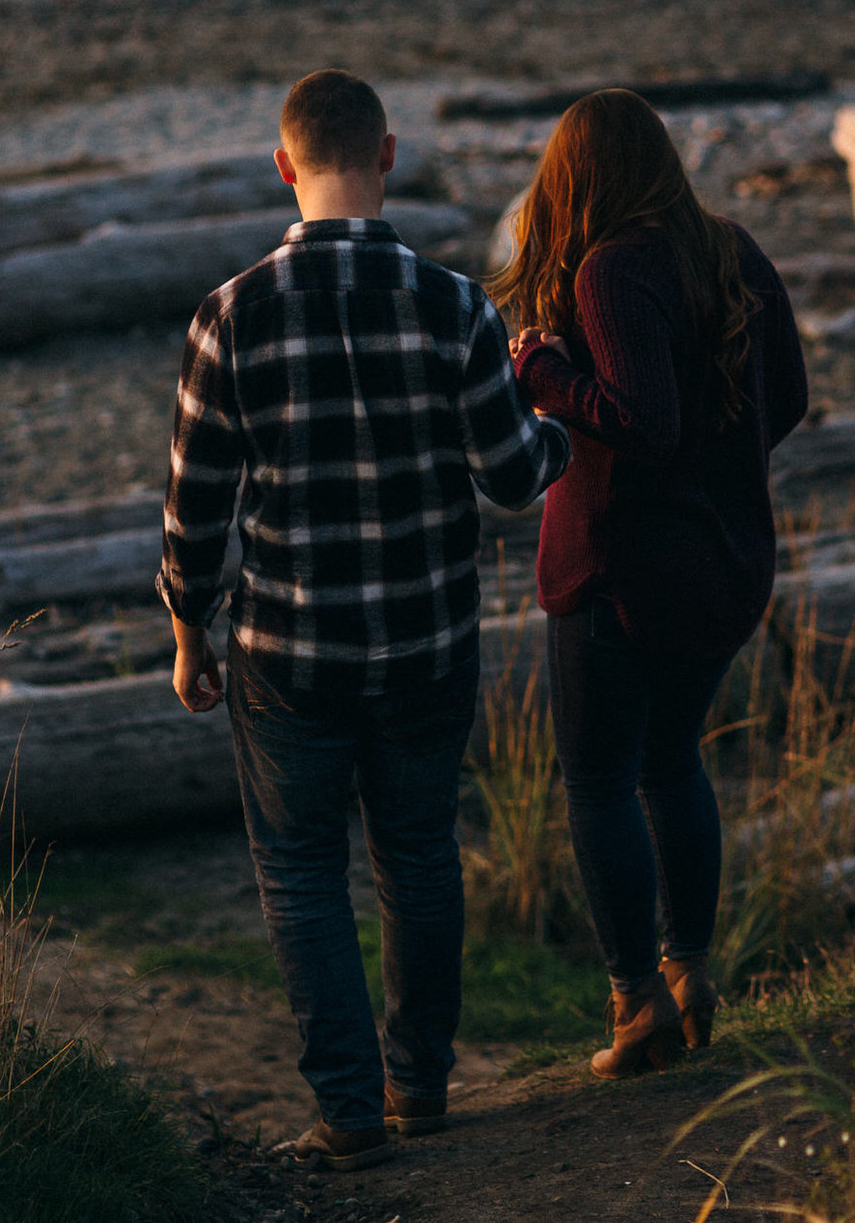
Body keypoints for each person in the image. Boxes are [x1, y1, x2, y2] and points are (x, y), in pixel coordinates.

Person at [160, 69, 570, 1170]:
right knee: (421, 858)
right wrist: (559, 423)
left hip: (288, 649)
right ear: (386, 155)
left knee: (299, 871)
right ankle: (420, 1086)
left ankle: (346, 1108)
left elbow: (196, 507)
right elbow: (511, 477)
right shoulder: (457, 305)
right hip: (427, 639)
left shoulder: (231, 311)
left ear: (284, 164)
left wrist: (188, 629)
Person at [491, 88, 808, 1078]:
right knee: (669, 765)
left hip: (620, 570)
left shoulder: (608, 270)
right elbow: (787, 396)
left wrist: (541, 371)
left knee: (596, 780)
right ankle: (689, 974)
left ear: (572, 177)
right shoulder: (731, 247)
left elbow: (641, 418)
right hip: (722, 561)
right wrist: (721, 468)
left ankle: (634, 1003)